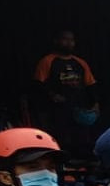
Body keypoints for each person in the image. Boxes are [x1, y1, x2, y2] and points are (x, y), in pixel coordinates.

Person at [33, 31, 99, 159]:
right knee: (61, 142)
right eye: (65, 39)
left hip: (79, 109)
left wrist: (95, 104)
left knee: (81, 142)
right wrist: (52, 95)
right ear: (56, 41)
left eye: (71, 40)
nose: (69, 42)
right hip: (56, 111)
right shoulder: (48, 61)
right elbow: (38, 85)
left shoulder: (80, 63)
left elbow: (91, 85)